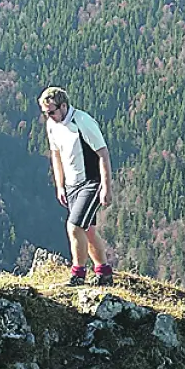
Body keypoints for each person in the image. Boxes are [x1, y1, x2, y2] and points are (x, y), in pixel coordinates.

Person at [39, 86, 113, 285]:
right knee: (87, 229)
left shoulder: (82, 122)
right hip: (71, 185)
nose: (49, 116)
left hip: (91, 182)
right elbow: (55, 154)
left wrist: (106, 187)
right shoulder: (52, 125)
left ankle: (77, 274)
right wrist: (60, 185)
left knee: (74, 226)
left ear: (63, 106)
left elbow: (103, 154)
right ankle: (104, 272)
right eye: (45, 113)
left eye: (52, 112)